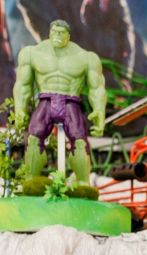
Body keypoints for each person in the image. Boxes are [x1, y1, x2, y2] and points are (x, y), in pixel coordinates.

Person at [13, 19, 106, 185]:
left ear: (68, 36)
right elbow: (23, 84)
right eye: (55, 32)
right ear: (49, 32)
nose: (57, 35)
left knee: (79, 141)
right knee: (34, 137)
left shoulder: (85, 57)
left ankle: (83, 183)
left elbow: (97, 87)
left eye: (62, 33)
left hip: (71, 101)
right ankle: (30, 182)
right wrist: (20, 108)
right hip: (46, 100)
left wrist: (99, 110)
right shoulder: (32, 53)